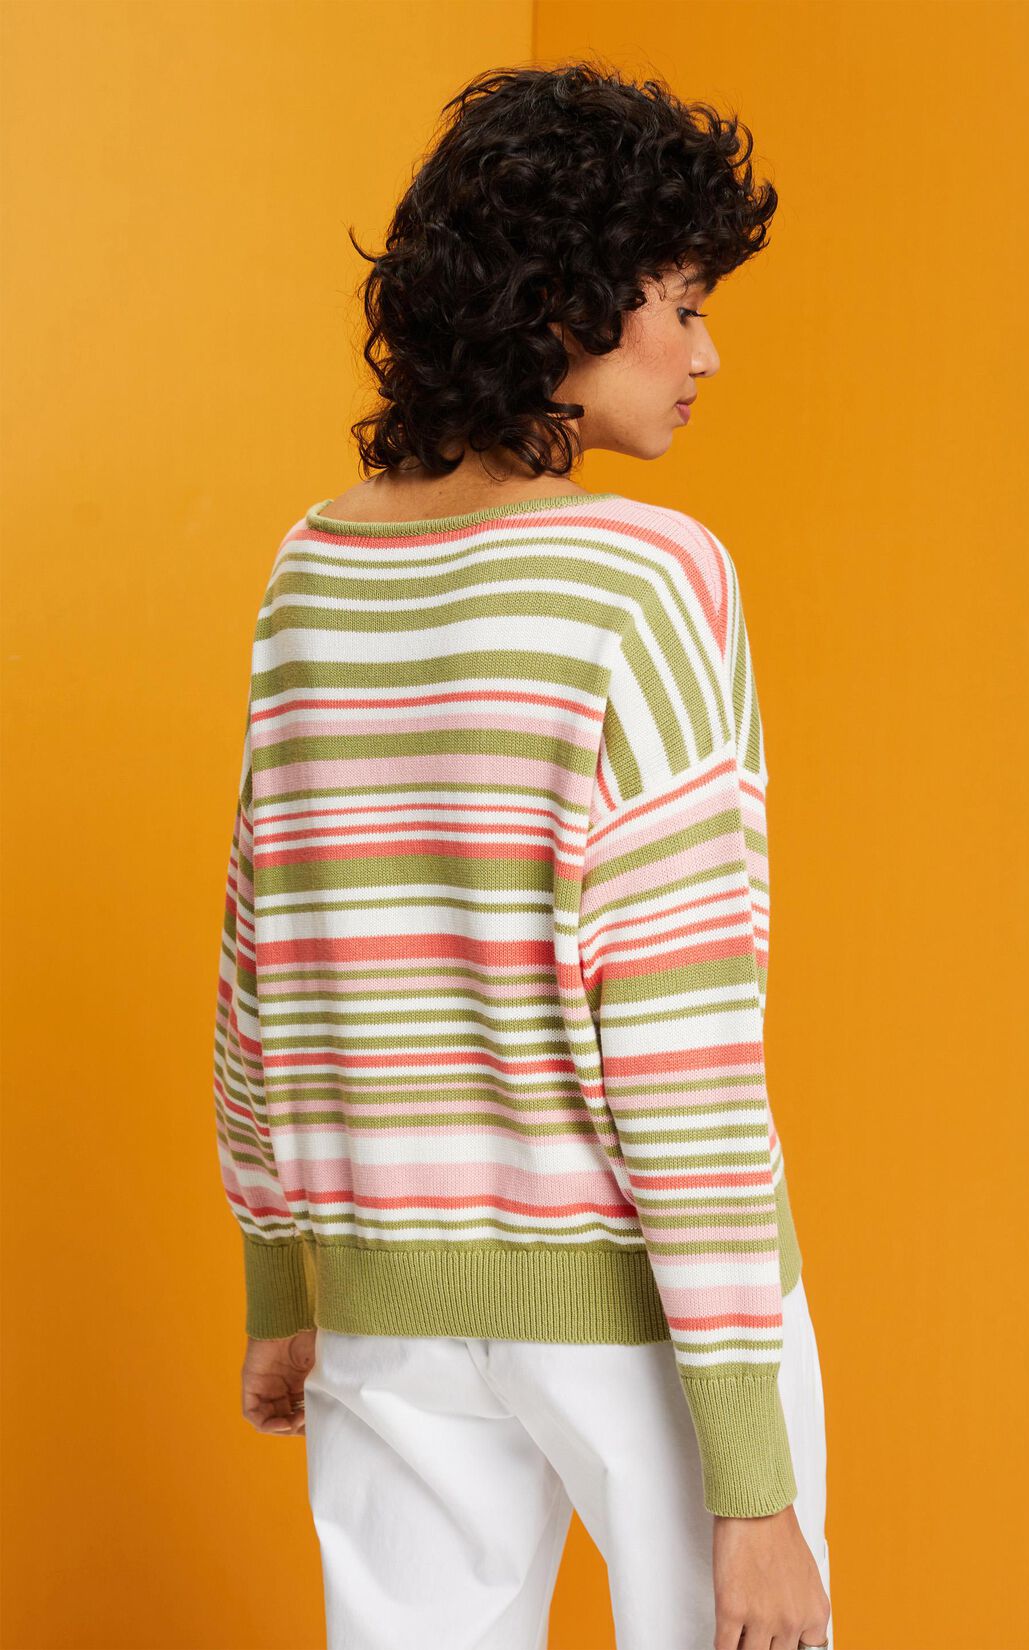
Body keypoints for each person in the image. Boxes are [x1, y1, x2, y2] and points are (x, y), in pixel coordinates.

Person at [212, 61, 833, 1650]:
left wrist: (284, 1283)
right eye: (681, 305)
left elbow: (260, 956)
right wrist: (753, 1485)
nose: (707, 353)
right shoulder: (650, 577)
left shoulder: (311, 571)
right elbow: (684, 1037)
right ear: (564, 302)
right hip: (645, 1321)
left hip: (387, 1312)